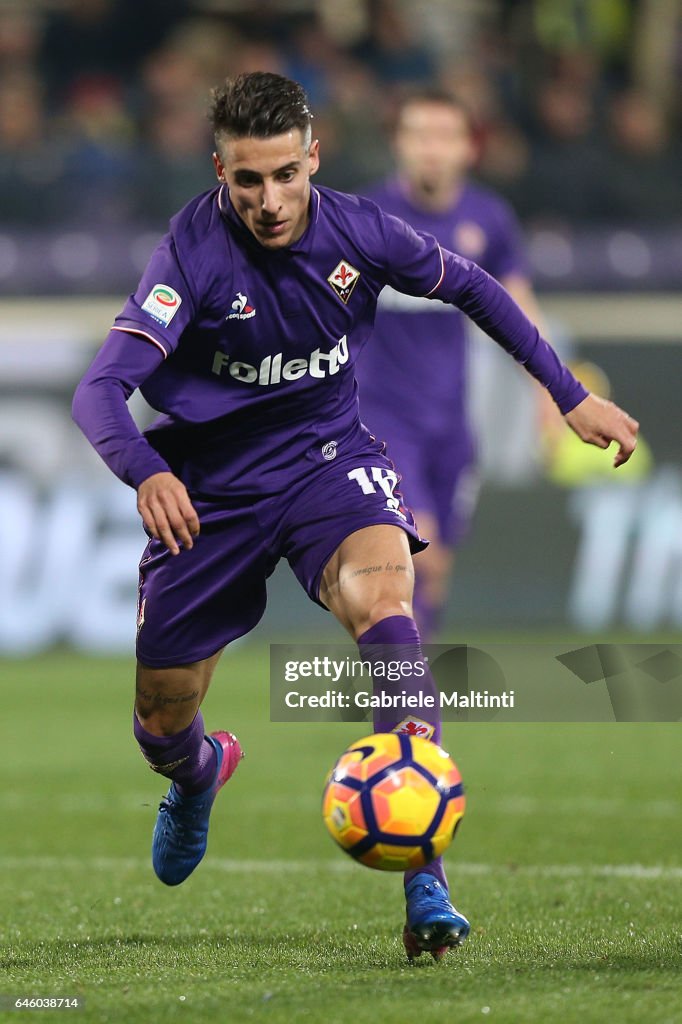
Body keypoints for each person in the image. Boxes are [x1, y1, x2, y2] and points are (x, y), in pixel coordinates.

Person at [72, 71, 638, 962]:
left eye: (286, 175)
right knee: (160, 719)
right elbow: (101, 391)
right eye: (247, 180)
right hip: (211, 492)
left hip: (329, 460)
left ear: (313, 159)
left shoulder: (360, 230)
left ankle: (426, 878)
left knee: (390, 612)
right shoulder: (187, 255)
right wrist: (145, 471)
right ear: (219, 169)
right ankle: (198, 772)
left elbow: (477, 289)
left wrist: (566, 395)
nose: (269, 200)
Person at [355, 89, 550, 641]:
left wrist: (549, 395)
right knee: (423, 554)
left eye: (444, 137)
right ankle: (408, 701)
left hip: (452, 422)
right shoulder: (364, 217)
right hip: (382, 421)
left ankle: (407, 681)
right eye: (419, 135)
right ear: (399, 144)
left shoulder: (487, 219)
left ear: (469, 148)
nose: (431, 150)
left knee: (436, 574)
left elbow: (519, 313)